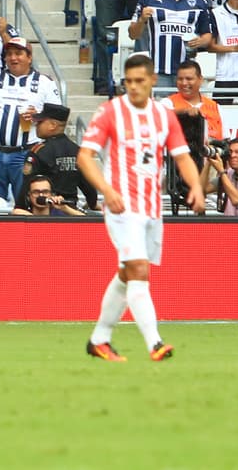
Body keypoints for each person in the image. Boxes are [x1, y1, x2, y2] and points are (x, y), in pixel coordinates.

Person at [78, 52, 205, 363]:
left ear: (151, 81)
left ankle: (99, 339)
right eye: (128, 82)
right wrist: (106, 191)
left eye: (139, 81)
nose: (133, 87)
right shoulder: (110, 112)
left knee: (126, 274)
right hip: (122, 207)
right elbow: (85, 156)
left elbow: (182, 157)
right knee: (138, 270)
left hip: (151, 208)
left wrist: (197, 187)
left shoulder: (164, 116)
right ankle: (155, 343)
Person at [0, 37, 61, 203]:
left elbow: (58, 119)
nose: (13, 58)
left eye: (18, 53)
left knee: (24, 203)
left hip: (25, 154)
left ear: (29, 57)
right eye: (9, 54)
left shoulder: (45, 82)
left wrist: (37, 117)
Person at [23, 103, 99, 210]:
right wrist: (92, 204)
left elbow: (27, 185)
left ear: (53, 125)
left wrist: (20, 207)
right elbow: (88, 186)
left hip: (46, 210)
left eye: (40, 122)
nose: (36, 125)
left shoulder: (39, 151)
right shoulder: (78, 151)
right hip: (71, 210)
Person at [11, 174, 85, 217]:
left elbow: (88, 223)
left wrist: (65, 208)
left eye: (45, 192)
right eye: (36, 192)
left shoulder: (60, 214)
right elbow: (15, 212)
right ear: (28, 196)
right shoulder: (23, 214)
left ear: (52, 194)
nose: (41, 195)